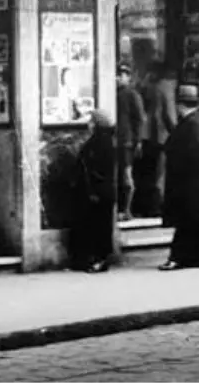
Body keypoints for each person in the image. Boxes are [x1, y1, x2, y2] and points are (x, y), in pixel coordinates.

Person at [159, 86, 199, 271]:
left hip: (187, 184)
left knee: (185, 225)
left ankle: (179, 258)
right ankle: (194, 258)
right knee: (192, 226)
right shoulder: (195, 122)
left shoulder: (192, 124)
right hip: (192, 184)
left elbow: (184, 154)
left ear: (180, 104)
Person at [70, 110, 117, 274]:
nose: (88, 125)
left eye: (91, 122)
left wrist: (94, 188)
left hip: (99, 192)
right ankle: (93, 258)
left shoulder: (102, 143)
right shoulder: (100, 141)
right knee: (95, 226)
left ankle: (101, 260)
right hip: (96, 192)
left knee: (101, 228)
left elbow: (97, 168)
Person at [139, 62, 177, 219]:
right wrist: (176, 133)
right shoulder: (166, 87)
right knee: (159, 173)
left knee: (148, 172)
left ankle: (145, 206)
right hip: (161, 136)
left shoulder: (150, 87)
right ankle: (156, 207)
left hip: (147, 134)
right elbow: (169, 114)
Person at [115, 63, 146, 220]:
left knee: (127, 177)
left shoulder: (132, 95)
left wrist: (138, 140)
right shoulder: (115, 94)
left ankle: (127, 210)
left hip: (127, 141)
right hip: (116, 141)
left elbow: (140, 119)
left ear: (128, 77)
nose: (118, 78)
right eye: (117, 75)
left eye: (122, 74)